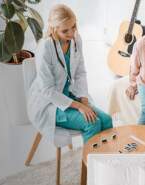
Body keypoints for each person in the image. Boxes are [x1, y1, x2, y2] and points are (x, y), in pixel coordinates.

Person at [28, 4, 112, 144]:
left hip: (69, 94)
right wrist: (79, 106)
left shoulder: (76, 40)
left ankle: (107, 160)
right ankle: (90, 165)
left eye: (73, 26)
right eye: (65, 30)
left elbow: (80, 72)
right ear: (54, 29)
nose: (72, 33)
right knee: (92, 123)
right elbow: (47, 90)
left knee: (107, 120)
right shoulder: (45, 47)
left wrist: (84, 100)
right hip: (50, 103)